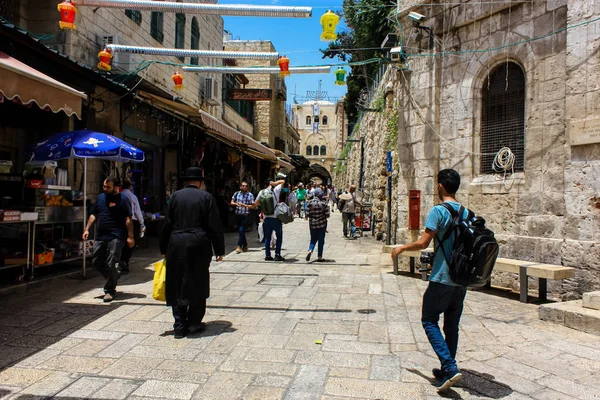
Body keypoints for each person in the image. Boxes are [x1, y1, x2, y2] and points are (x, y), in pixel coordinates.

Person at [391, 169, 468, 392]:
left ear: (441, 186)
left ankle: (450, 367)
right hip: (460, 279)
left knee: (429, 320)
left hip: (442, 276)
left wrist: (402, 247)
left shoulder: (438, 211)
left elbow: (424, 243)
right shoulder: (465, 212)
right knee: (452, 324)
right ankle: (447, 368)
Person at [160, 167, 225, 339]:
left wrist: (163, 247)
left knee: (177, 281)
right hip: (199, 243)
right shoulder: (206, 197)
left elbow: (167, 224)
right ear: (201, 182)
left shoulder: (174, 197)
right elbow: (214, 225)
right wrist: (219, 250)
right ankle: (194, 323)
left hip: (176, 243)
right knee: (198, 280)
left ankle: (179, 325)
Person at [82, 177, 134, 302]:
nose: (105, 189)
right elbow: (94, 214)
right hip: (101, 235)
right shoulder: (100, 198)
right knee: (96, 261)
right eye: (104, 186)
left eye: (108, 187)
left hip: (117, 235)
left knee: (111, 262)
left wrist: (130, 236)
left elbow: (128, 219)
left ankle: (109, 290)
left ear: (116, 187)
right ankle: (114, 275)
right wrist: (87, 229)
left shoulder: (124, 200)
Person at [254, 178, 285, 261]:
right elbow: (283, 181)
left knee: (267, 237)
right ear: (271, 183)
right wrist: (275, 183)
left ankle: (267, 255)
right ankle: (277, 254)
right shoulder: (275, 190)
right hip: (275, 218)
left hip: (266, 217)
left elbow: (255, 204)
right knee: (279, 236)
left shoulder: (261, 192)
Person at [119, 180, 145, 274]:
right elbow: (137, 211)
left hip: (119, 221)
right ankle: (125, 260)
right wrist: (142, 222)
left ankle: (121, 260)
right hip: (131, 221)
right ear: (130, 187)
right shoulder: (133, 197)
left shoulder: (119, 195)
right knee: (130, 241)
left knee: (121, 240)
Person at [305, 188, 330, 262]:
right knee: (321, 240)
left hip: (312, 224)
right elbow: (327, 215)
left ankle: (310, 250)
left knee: (313, 239)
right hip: (322, 225)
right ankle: (319, 256)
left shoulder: (309, 203)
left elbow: (307, 214)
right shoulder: (324, 204)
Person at [230, 181, 255, 254]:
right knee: (241, 231)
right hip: (238, 215)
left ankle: (239, 246)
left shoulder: (250, 195)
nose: (245, 187)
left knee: (241, 230)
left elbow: (253, 206)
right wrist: (236, 204)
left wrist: (245, 206)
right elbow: (231, 202)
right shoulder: (237, 194)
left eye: (246, 186)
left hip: (245, 215)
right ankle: (245, 244)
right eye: (243, 186)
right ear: (240, 187)